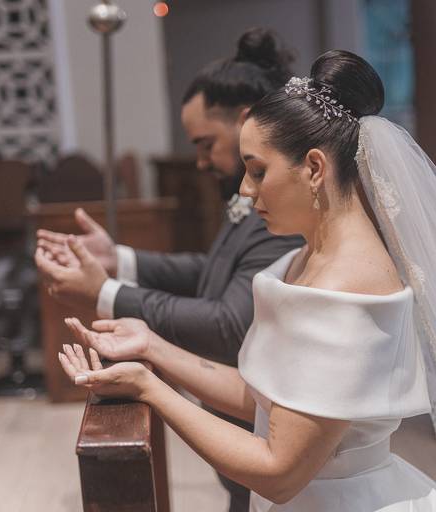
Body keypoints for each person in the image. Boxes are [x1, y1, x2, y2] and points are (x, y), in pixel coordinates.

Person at [57, 51, 436, 511]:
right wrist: (152, 347)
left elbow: (279, 472)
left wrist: (149, 388)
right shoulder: (305, 258)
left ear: (313, 168)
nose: (246, 191)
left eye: (257, 171)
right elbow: (265, 399)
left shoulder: (346, 289)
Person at [36, 28, 303, 512]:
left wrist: (107, 293)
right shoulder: (259, 198)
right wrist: (120, 259)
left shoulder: (283, 209)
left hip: (266, 445)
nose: (200, 162)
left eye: (206, 144)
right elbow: (215, 272)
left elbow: (228, 324)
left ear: (245, 120)